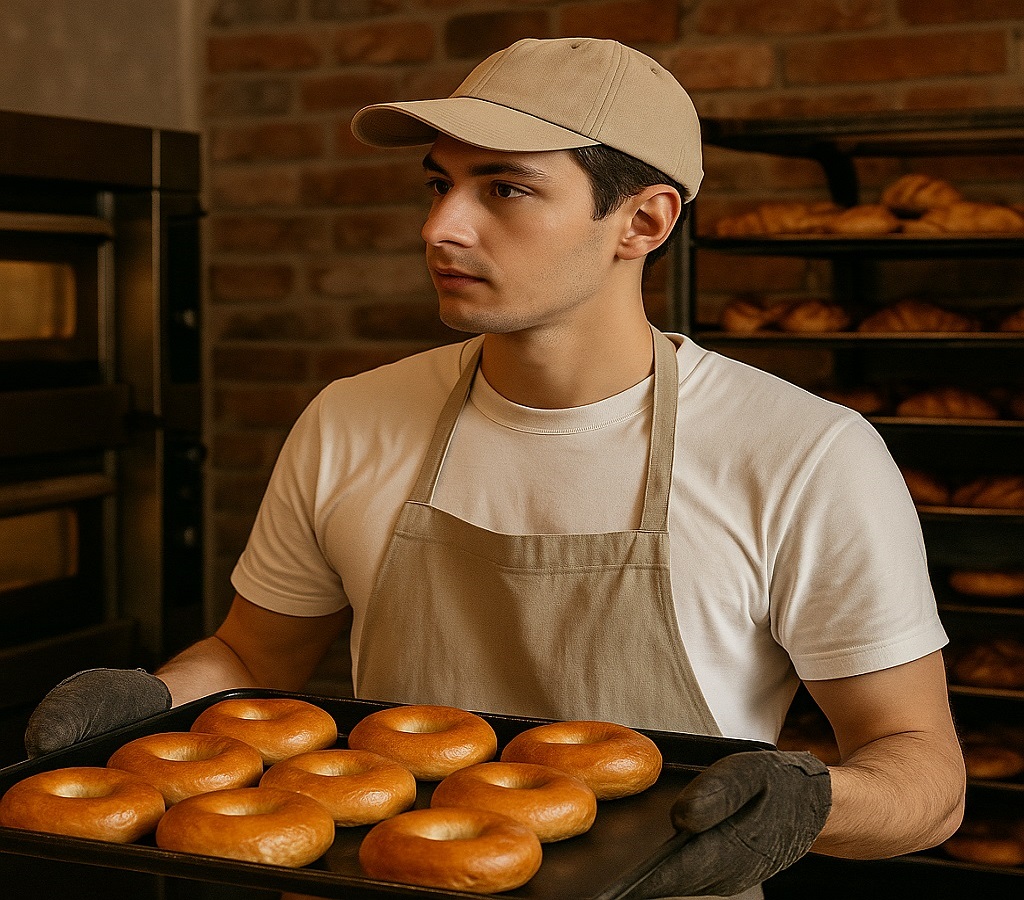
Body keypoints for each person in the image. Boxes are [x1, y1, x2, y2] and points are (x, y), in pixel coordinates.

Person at [25, 37, 964, 898]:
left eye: (503, 189)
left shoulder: (802, 454)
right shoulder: (351, 419)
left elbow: (924, 773)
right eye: (437, 184)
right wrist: (148, 703)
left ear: (642, 221)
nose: (442, 227)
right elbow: (250, 660)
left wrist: (807, 805)